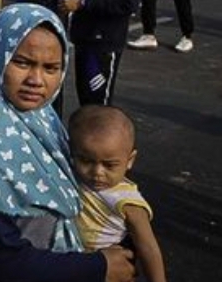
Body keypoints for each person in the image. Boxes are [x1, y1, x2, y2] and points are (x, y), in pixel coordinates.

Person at [0, 4, 136, 282]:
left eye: (51, 68)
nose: (36, 80)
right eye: (22, 62)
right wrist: (98, 267)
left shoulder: (41, 120)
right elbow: (4, 260)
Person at [68, 106, 167, 282]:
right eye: (86, 161)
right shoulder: (72, 176)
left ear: (130, 160)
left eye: (110, 165)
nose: (97, 172)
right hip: (75, 264)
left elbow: (147, 246)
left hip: (108, 269)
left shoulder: (127, 201)